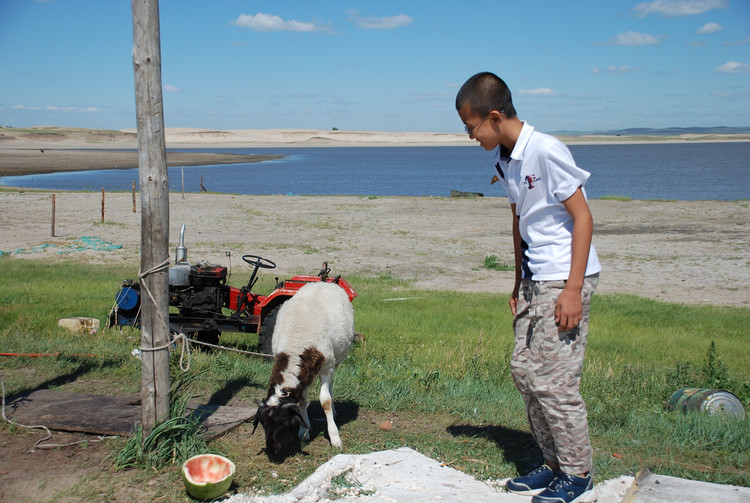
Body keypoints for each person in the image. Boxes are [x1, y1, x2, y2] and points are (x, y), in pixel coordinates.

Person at [455, 72, 602, 503]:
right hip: (535, 279)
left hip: (564, 278)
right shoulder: (504, 159)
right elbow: (520, 219)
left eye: (471, 127)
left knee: (556, 382)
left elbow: (583, 216)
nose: (470, 135)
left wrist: (573, 289)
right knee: (525, 372)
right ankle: (554, 464)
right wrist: (518, 279)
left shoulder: (545, 150)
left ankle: (578, 476)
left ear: (494, 116)